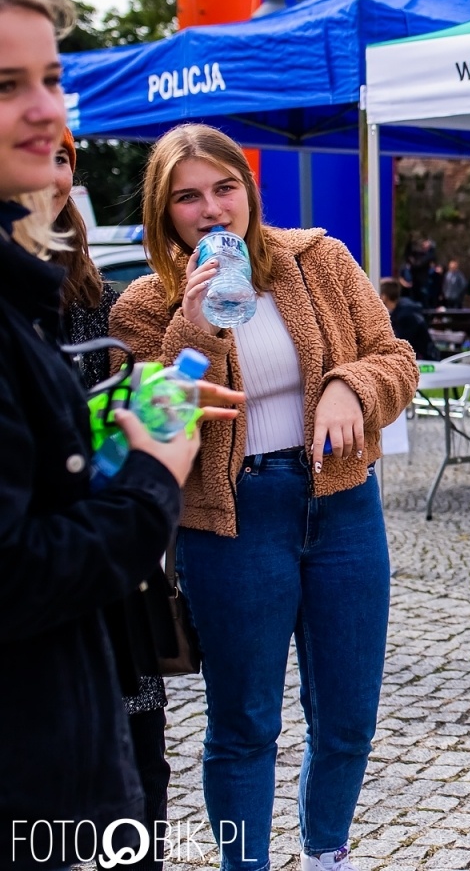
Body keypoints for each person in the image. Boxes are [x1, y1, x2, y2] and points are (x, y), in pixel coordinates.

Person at [111, 124, 418, 871]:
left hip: (341, 504)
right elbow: (157, 420)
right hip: (233, 519)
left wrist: (351, 386)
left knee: (347, 717)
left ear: (248, 191)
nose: (211, 209)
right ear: (164, 212)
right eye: (188, 197)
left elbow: (396, 357)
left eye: (225, 188)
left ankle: (325, 855)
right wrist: (195, 324)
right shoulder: (144, 305)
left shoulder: (320, 259)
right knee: (245, 724)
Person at [0, 0, 232, 869]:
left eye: (51, 79)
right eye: (7, 85)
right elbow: (17, 570)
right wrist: (150, 480)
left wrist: (119, 412)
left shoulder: (315, 258)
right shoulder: (119, 297)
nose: (44, 111)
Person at [45, 128, 176, 870]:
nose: (52, 173)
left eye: (64, 158)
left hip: (113, 568)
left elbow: (121, 411)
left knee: (139, 762)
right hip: (41, 571)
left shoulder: (98, 299)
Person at [379, 277, 439, 361]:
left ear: (384, 296)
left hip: (423, 360)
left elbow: (400, 343)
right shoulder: (399, 310)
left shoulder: (405, 315)